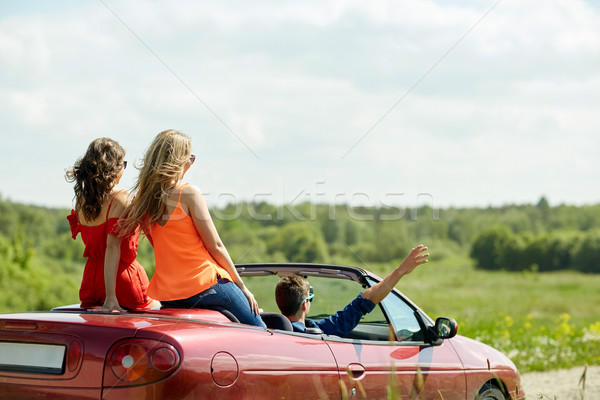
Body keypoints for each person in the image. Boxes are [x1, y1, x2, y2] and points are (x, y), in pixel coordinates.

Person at [119, 129, 265, 328]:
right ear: (178, 160)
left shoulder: (143, 203)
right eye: (190, 158)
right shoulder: (188, 193)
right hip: (205, 286)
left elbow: (162, 249)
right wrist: (242, 286)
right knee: (261, 330)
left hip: (170, 296)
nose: (190, 164)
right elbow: (216, 245)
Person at [66, 138, 156, 312]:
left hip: (90, 283)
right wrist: (111, 298)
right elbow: (112, 248)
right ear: (114, 167)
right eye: (124, 164)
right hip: (120, 284)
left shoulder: (82, 201)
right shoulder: (122, 198)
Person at [275, 245, 429, 336]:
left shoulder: (263, 329)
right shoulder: (320, 330)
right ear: (304, 305)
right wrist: (400, 271)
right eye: (311, 297)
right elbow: (368, 298)